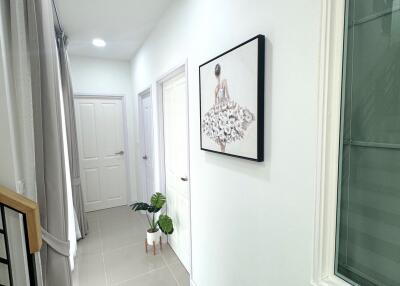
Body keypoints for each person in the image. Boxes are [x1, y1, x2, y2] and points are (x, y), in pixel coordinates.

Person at [202, 63, 255, 152]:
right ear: (220, 72)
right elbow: (227, 96)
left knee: (223, 131)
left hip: (221, 109)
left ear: (215, 75)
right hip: (222, 109)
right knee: (222, 131)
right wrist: (230, 106)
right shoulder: (222, 83)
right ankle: (223, 148)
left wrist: (228, 107)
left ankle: (223, 148)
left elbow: (216, 103)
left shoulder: (217, 87)